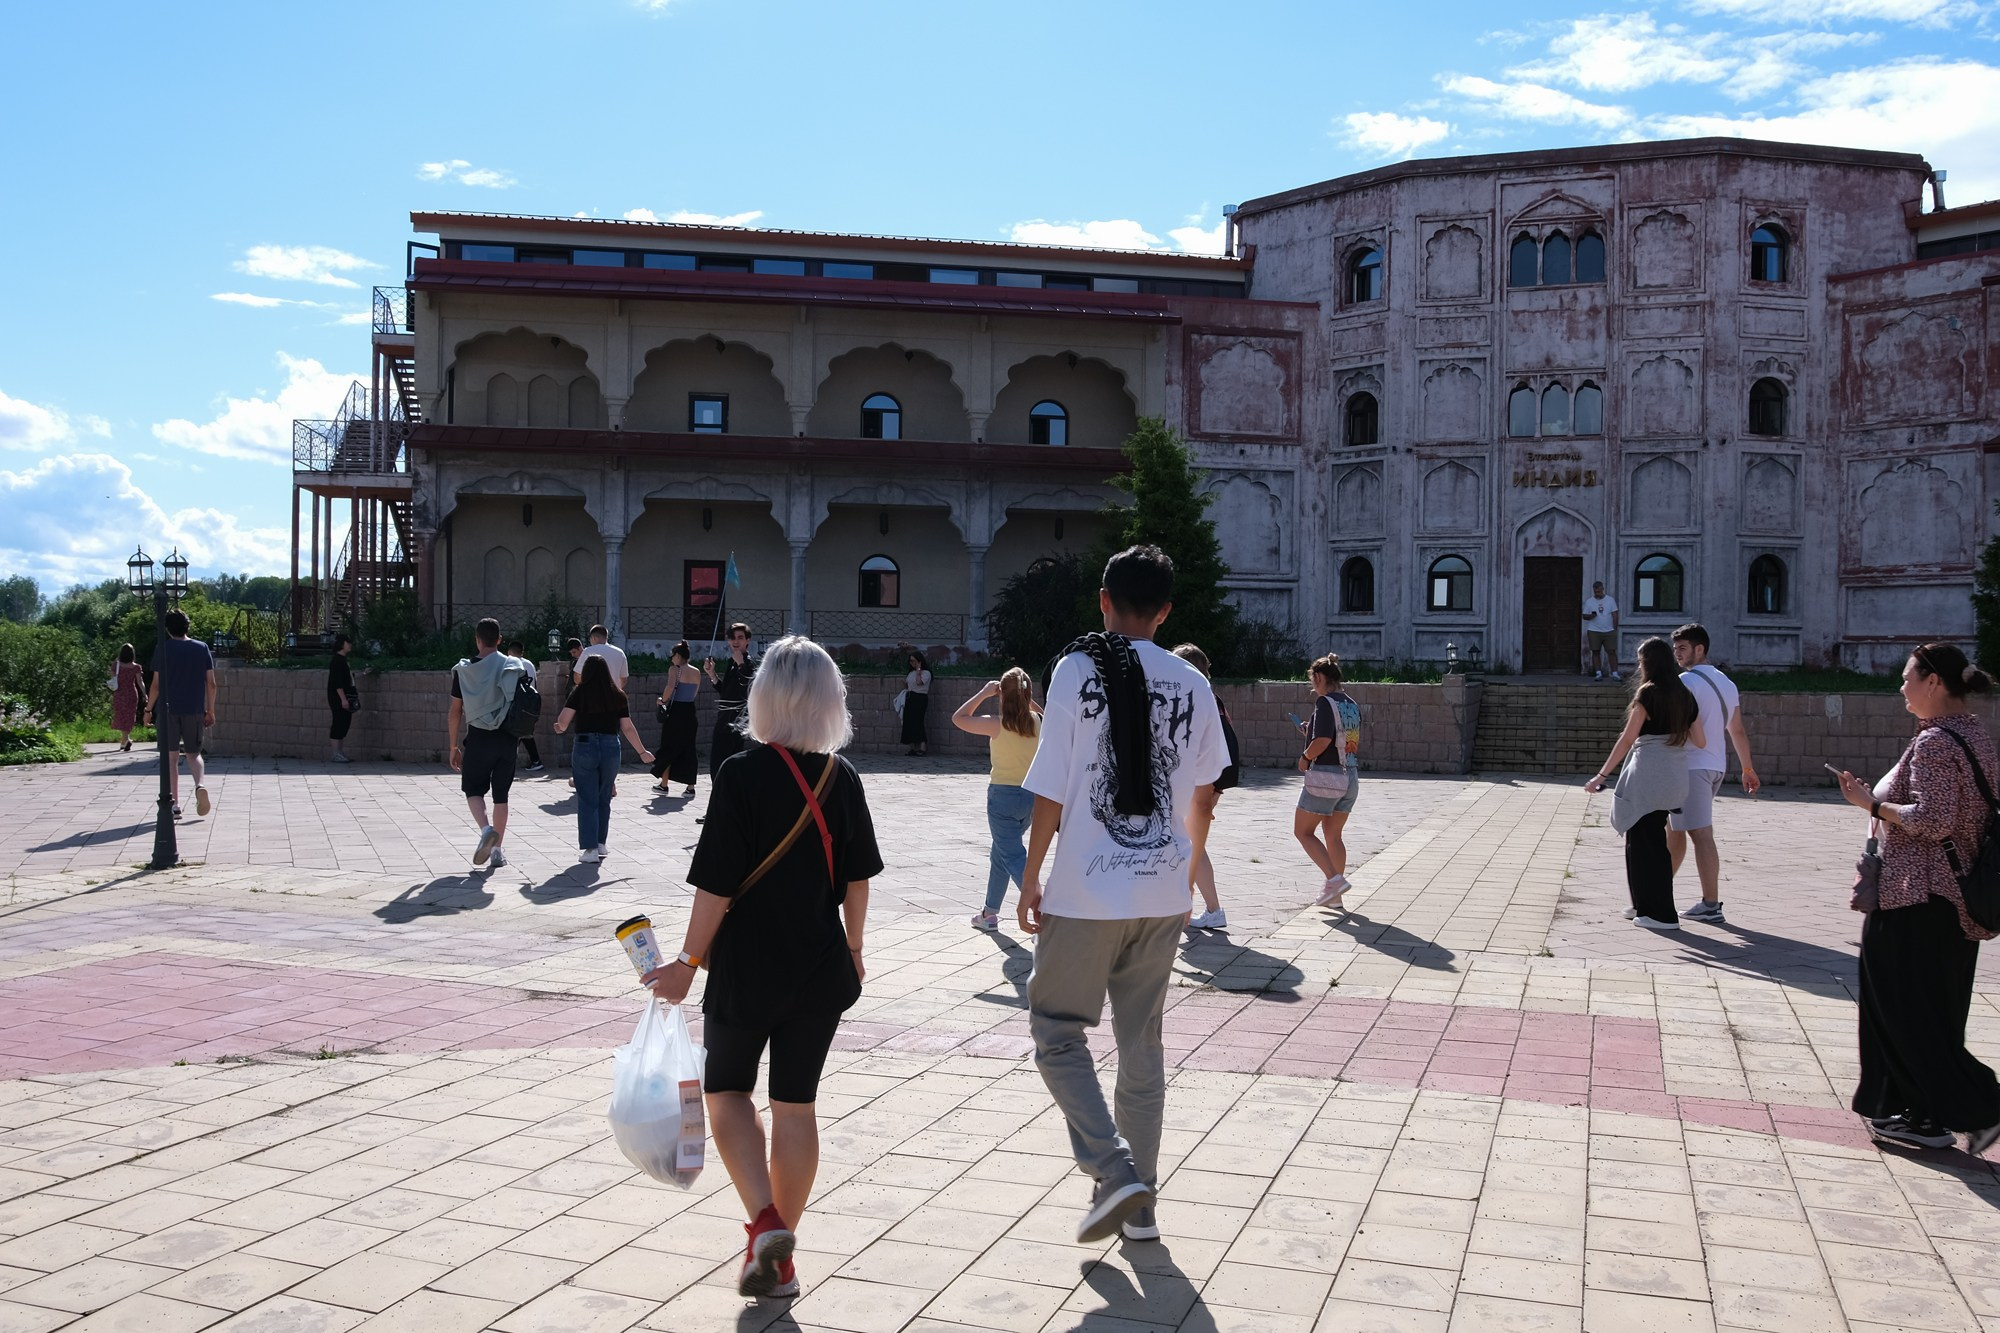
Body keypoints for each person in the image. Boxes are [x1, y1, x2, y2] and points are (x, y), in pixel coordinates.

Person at [643, 635, 881, 1299]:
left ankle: (766, 1223)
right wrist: (856, 946)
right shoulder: (843, 775)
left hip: (747, 966)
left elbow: (715, 887)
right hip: (821, 964)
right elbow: (858, 879)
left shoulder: (743, 774)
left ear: (765, 696)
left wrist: (688, 962)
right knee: (796, 1105)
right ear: (831, 700)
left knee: (726, 1096)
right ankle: (776, 1252)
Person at [1018, 545, 1227, 1245]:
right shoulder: (1192, 682)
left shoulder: (1076, 670)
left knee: (1054, 1030)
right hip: (1162, 888)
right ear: (1165, 611)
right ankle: (1141, 1210)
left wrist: (1030, 873)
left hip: (1084, 888)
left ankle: (1113, 1169)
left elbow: (1050, 787)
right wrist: (1188, 869)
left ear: (1103, 601)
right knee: (1142, 1048)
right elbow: (1204, 793)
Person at [1835, 643, 2000, 1157]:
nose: (1901, 687)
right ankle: (1920, 1113)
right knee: (1934, 1012)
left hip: (1920, 897)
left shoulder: (1934, 743)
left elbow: (1934, 820)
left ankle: (1981, 1107)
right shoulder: (1973, 733)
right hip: (1952, 901)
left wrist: (1873, 805)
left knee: (1904, 1011)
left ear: (1933, 682)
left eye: (1907, 678)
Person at [1585, 637, 1704, 929]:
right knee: (1652, 842)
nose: (1638, 665)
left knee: (1642, 844)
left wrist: (1602, 775)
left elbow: (1628, 739)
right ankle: (1643, 906)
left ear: (1649, 663)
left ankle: (1660, 914)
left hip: (1648, 776)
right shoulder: (1685, 694)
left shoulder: (1647, 693)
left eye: (1640, 661)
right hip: (1674, 779)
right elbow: (1701, 741)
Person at [1668, 623, 1762, 922]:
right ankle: (1657, 891)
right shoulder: (1727, 683)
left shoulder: (1685, 682)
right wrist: (1746, 767)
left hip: (1691, 767)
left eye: (1683, 648)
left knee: (1700, 833)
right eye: (1675, 649)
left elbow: (1677, 727)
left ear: (1700, 649)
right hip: (1714, 766)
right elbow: (1736, 730)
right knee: (1674, 830)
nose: (1678, 654)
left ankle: (1711, 905)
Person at [951, 668, 1042, 930]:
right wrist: (1027, 699)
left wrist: (983, 693)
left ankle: (1041, 906)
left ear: (1001, 695)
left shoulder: (996, 723)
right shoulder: (1037, 721)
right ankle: (989, 913)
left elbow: (959, 718)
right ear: (1027, 695)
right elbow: (1050, 717)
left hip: (1002, 797)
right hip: (1030, 798)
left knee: (1012, 856)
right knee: (1000, 854)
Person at [446, 617, 531, 870]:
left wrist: (453, 746)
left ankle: (485, 830)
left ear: (477, 640)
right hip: (507, 738)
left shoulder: (463, 671)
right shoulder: (513, 665)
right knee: (501, 796)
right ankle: (497, 852)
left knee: (472, 790)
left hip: (478, 737)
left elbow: (455, 711)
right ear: (500, 640)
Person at [553, 656, 653, 863]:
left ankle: (589, 850)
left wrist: (558, 728)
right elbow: (627, 727)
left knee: (587, 798)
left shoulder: (579, 692)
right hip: (610, 746)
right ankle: (600, 843)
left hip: (584, 745)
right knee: (604, 796)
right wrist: (642, 751)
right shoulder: (618, 695)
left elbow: (562, 722)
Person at [1173, 644, 1240, 931]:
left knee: (1187, 845)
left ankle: (1192, 907)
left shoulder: (1194, 698)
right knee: (1192, 846)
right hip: (1209, 782)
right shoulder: (1214, 698)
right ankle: (1212, 909)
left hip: (1196, 782)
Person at [1296, 653, 1362, 909]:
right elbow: (1343, 738)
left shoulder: (1324, 703)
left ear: (1320, 677)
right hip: (1350, 774)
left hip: (1326, 776)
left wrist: (1305, 756)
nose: (1313, 687)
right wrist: (1310, 729)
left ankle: (1334, 881)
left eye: (1313, 681)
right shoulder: (1351, 703)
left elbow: (1323, 741)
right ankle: (1335, 896)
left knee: (1302, 831)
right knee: (1334, 835)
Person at [143, 609, 215, 820]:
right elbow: (211, 683)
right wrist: (210, 710)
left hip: (167, 709)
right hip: (193, 709)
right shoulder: (202, 648)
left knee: (171, 758)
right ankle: (200, 784)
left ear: (167, 628)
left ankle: (174, 805)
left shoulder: (163, 649)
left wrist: (148, 710)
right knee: (194, 754)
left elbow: (156, 685)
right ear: (188, 626)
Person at [704, 622, 757, 778]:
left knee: (723, 764)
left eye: (740, 637)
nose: (736, 641)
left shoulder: (749, 664)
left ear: (748, 640)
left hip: (736, 722)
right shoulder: (731, 662)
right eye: (732, 638)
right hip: (724, 720)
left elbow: (747, 689)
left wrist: (741, 663)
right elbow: (726, 692)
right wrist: (712, 675)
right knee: (720, 764)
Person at [651, 641, 703, 795]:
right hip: (689, 711)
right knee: (689, 747)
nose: (671, 659)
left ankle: (664, 784)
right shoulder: (696, 671)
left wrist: (662, 700)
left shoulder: (675, 669)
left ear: (678, 656)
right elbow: (694, 693)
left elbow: (670, 687)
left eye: (672, 655)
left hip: (676, 712)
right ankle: (690, 787)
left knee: (669, 745)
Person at [498, 641, 545, 773]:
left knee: (514, 733)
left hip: (518, 704)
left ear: (509, 652)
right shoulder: (529, 664)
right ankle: (535, 761)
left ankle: (508, 762)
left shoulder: (511, 664)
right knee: (525, 733)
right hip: (532, 704)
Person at [327, 634, 357, 763]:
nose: (350, 645)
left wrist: (363, 673)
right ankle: (335, 753)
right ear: (341, 644)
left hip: (345, 696)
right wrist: (343, 699)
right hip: (338, 698)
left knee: (344, 723)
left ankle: (340, 752)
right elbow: (337, 683)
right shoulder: (337, 661)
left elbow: (347, 677)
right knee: (338, 723)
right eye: (347, 643)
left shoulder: (344, 660)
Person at [1583, 581, 1620, 681]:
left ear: (1603, 589)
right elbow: (1584, 616)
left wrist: (1614, 628)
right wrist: (1591, 616)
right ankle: (1598, 673)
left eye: (1599, 592)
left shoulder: (1610, 600)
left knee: (1611, 651)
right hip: (1594, 630)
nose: (1597, 594)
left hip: (1609, 631)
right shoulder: (1589, 602)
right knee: (1596, 652)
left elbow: (1615, 614)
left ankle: (1615, 673)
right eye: (1595, 592)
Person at [109, 643, 143, 752]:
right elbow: (140, 681)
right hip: (131, 693)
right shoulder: (136, 667)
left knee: (121, 714)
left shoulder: (116, 665)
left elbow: (113, 678)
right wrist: (144, 693)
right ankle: (125, 740)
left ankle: (125, 740)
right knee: (129, 715)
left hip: (119, 693)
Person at [901, 651, 933, 756]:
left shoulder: (926, 673)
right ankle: (913, 747)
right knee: (909, 721)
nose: (911, 663)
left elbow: (919, 683)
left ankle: (922, 747)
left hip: (920, 698)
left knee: (918, 721)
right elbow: (907, 685)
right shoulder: (911, 673)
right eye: (910, 661)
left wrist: (919, 670)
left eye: (914, 661)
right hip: (910, 697)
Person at [579, 623, 629, 688]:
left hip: (592, 694)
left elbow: (577, 676)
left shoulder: (588, 651)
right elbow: (624, 679)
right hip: (612, 695)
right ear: (606, 637)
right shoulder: (620, 653)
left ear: (594, 638)